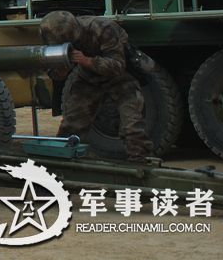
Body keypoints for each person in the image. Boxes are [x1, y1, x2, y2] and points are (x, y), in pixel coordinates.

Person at [39, 10, 153, 162]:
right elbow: (54, 74)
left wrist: (86, 61)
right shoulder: (57, 37)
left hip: (120, 77)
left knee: (132, 126)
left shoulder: (102, 28)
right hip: (88, 78)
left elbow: (117, 65)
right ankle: (63, 162)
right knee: (72, 124)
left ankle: (140, 162)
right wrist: (62, 67)